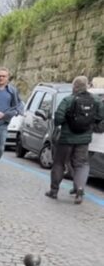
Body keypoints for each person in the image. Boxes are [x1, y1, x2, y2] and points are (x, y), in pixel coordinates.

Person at [46, 76, 104, 205]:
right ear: (87, 86)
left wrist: (66, 122)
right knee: (82, 164)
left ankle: (54, 191)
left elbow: (58, 118)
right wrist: (90, 125)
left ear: (74, 87)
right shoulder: (96, 100)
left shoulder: (68, 99)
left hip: (66, 138)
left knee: (59, 163)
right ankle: (80, 190)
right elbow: (101, 116)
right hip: (84, 139)